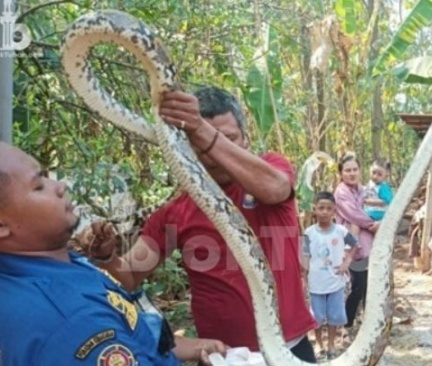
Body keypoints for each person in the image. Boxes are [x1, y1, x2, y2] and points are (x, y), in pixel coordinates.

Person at [80, 86, 318, 361]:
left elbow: (275, 190)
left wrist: (201, 130)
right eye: (198, 143)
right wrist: (107, 255)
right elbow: (130, 275)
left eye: (227, 138)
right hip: (223, 356)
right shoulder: (176, 212)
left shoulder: (270, 168)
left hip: (289, 349)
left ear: (245, 139)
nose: (211, 153)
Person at [0, 142, 226, 366]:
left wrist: (195, 348)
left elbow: (133, 330)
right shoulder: (73, 322)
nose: (59, 186)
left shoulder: (56, 264)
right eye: (38, 186)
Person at [302, 191, 358, 360]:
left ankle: (331, 344)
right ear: (315, 210)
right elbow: (305, 255)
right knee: (317, 316)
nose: (324, 212)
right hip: (315, 283)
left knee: (334, 315)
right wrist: (303, 277)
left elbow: (355, 245)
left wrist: (346, 263)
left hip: (335, 282)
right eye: (321, 208)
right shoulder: (309, 233)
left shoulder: (340, 231)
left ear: (334, 211)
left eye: (329, 208)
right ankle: (319, 344)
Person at [333, 154, 379, 338]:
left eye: (355, 169)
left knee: (369, 285)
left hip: (370, 243)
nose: (352, 173)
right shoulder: (341, 192)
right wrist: (373, 224)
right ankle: (347, 322)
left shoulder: (365, 189)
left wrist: (381, 221)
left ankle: (369, 322)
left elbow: (377, 206)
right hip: (352, 246)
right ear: (341, 173)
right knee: (358, 285)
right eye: (347, 170)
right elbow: (354, 214)